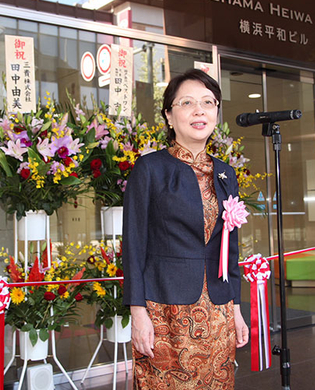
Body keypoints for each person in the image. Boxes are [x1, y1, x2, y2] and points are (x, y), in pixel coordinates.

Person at [122, 69, 249, 389]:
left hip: (218, 310)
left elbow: (230, 249)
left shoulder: (226, 174)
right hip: (165, 310)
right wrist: (138, 313)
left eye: (208, 102)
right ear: (169, 115)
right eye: (187, 102)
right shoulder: (150, 169)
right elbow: (133, 246)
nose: (199, 111)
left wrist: (236, 308)